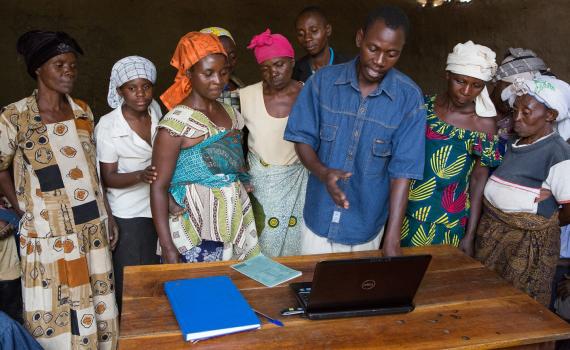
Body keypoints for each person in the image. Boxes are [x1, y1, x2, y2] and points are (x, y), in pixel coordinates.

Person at [0, 31, 118, 349]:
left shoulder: (82, 112)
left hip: (91, 225)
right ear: (38, 69)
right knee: (56, 306)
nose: (69, 71)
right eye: (59, 64)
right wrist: (19, 208)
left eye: (72, 65)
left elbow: (91, 170)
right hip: (45, 232)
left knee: (97, 300)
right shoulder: (15, 117)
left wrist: (107, 214)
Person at [284, 6, 426, 256]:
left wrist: (392, 237)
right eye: (373, 49)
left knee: (356, 292)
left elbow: (402, 172)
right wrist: (323, 172)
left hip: (366, 225)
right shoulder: (322, 82)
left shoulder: (409, 99)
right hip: (318, 217)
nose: (380, 61)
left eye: (392, 54)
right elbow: (302, 138)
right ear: (360, 38)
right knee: (310, 290)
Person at [152, 32, 259, 264]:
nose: (218, 81)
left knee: (233, 288)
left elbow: (232, 160)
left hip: (232, 216)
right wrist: (168, 247)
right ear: (189, 73)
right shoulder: (175, 125)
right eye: (208, 73)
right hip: (195, 225)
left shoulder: (231, 114)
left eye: (223, 72)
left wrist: (240, 178)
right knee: (198, 292)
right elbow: (158, 188)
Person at [475, 75, 570, 306]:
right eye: (515, 110)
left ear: (550, 115)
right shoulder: (513, 144)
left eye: (526, 112)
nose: (516, 118)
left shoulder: (557, 152)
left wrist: (544, 222)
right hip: (492, 236)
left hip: (527, 247)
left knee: (517, 309)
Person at [401, 41, 501, 252]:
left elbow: (477, 181)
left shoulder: (483, 124)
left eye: (476, 85)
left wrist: (470, 235)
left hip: (449, 222)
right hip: (404, 212)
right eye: (460, 81)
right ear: (447, 74)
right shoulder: (424, 106)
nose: (466, 91)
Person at [95, 56, 162, 314]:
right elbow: (108, 177)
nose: (140, 94)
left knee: (157, 276)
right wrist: (140, 175)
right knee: (133, 282)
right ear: (120, 91)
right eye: (131, 88)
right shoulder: (109, 126)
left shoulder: (155, 110)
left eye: (145, 86)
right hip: (129, 213)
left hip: (157, 206)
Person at [240, 29, 307, 257]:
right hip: (260, 184)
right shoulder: (246, 96)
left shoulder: (308, 94)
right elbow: (228, 137)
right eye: (265, 68)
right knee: (260, 243)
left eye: (279, 65)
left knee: (298, 244)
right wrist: (240, 171)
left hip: (299, 183)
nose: (273, 73)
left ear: (292, 62)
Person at [490, 48, 550, 150]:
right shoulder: (472, 111)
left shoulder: (524, 121)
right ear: (496, 82)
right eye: (510, 88)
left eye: (522, 91)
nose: (514, 95)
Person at [292, 6, 348, 82]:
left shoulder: (347, 65)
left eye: (314, 31)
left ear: (328, 30)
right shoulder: (295, 71)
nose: (307, 38)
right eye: (301, 34)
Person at [200, 27, 244, 111]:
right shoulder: (188, 95)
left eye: (232, 56)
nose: (228, 63)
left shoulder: (237, 86)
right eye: (220, 56)